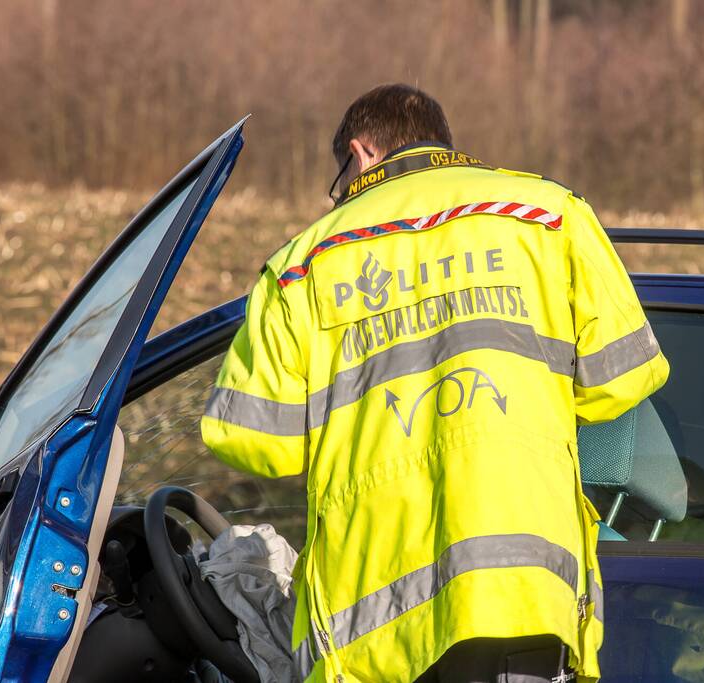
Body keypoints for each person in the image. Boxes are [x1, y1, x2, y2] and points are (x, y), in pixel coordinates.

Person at [201, 83, 669, 682]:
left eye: (339, 178)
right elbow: (624, 379)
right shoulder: (552, 217)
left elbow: (254, 439)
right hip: (522, 594)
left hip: (377, 621)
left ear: (361, 153)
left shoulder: (304, 265)